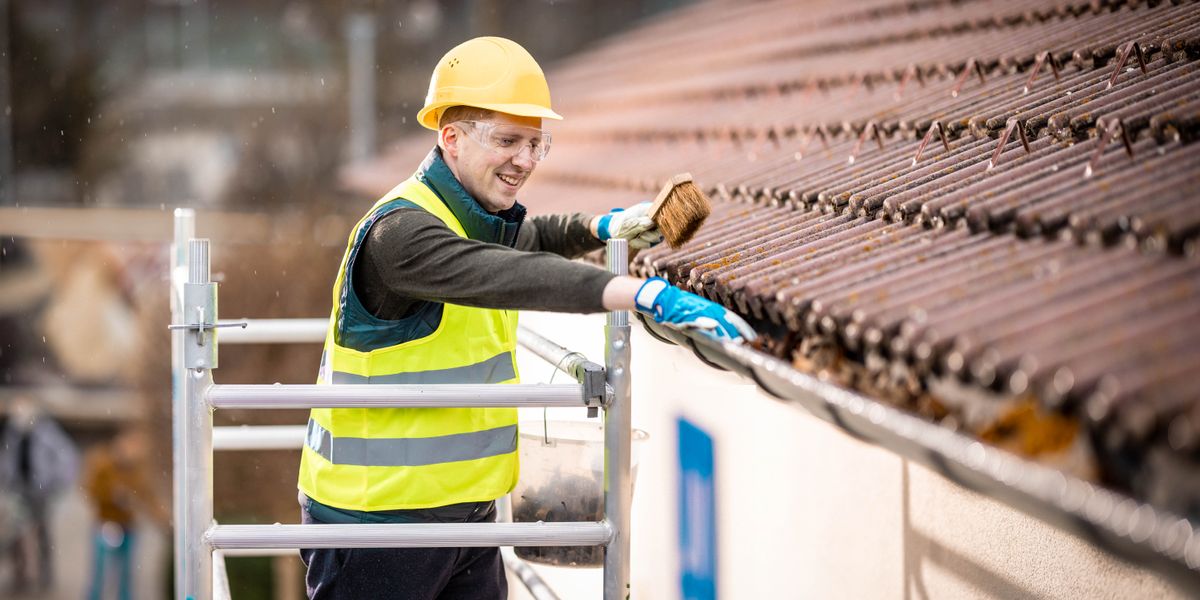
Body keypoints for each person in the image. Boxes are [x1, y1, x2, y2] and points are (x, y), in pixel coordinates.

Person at [296, 36, 755, 599]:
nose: (525, 160)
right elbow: (501, 272)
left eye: (537, 143)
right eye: (508, 140)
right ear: (451, 138)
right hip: (378, 522)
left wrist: (600, 229)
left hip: (468, 516)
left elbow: (525, 238)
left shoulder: (470, 213)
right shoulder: (400, 234)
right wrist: (637, 293)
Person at [0, 395, 78, 595]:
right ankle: (21, 576)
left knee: (42, 533)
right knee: (16, 535)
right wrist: (7, 483)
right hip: (19, 491)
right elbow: (7, 459)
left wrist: (55, 484)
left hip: (41, 492)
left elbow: (67, 458)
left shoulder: (47, 432)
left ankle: (45, 577)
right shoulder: (13, 432)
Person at [81, 427, 168, 600]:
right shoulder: (102, 464)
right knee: (100, 572)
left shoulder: (138, 470)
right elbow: (89, 489)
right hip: (105, 523)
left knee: (127, 575)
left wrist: (164, 520)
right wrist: (112, 495)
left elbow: (149, 498)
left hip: (129, 526)